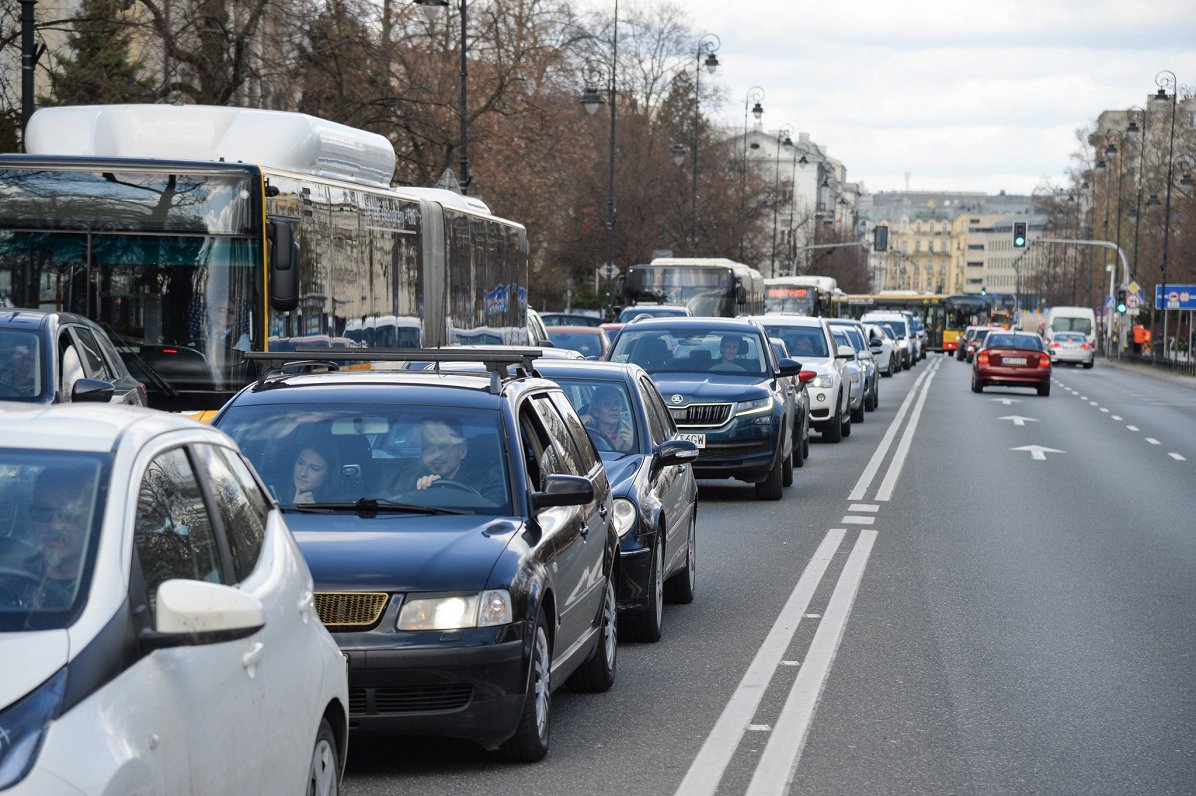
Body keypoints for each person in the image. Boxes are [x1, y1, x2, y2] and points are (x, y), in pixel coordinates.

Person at [25, 465, 95, 607]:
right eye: (43, 511)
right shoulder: (11, 576)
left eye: (70, 513)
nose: (54, 525)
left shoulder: (107, 587)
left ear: (92, 518)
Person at [392, 419, 504, 501]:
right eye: (428, 447)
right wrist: (418, 493)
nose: (435, 455)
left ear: (462, 451)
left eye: (443, 446)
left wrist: (440, 493)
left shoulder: (488, 480)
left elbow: (493, 517)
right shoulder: (411, 479)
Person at [581, 386, 635, 453]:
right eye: (606, 404)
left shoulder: (629, 435)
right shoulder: (586, 434)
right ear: (595, 411)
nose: (614, 408)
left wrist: (633, 445)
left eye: (617, 403)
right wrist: (576, 427)